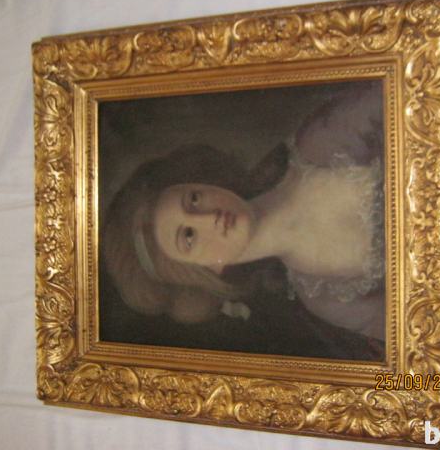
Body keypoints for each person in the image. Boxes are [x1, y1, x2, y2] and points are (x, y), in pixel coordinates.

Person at [102, 80, 385, 342]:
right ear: (206, 270)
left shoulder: (322, 142)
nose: (208, 218)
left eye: (194, 199)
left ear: (207, 182)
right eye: (188, 236)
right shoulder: (327, 297)